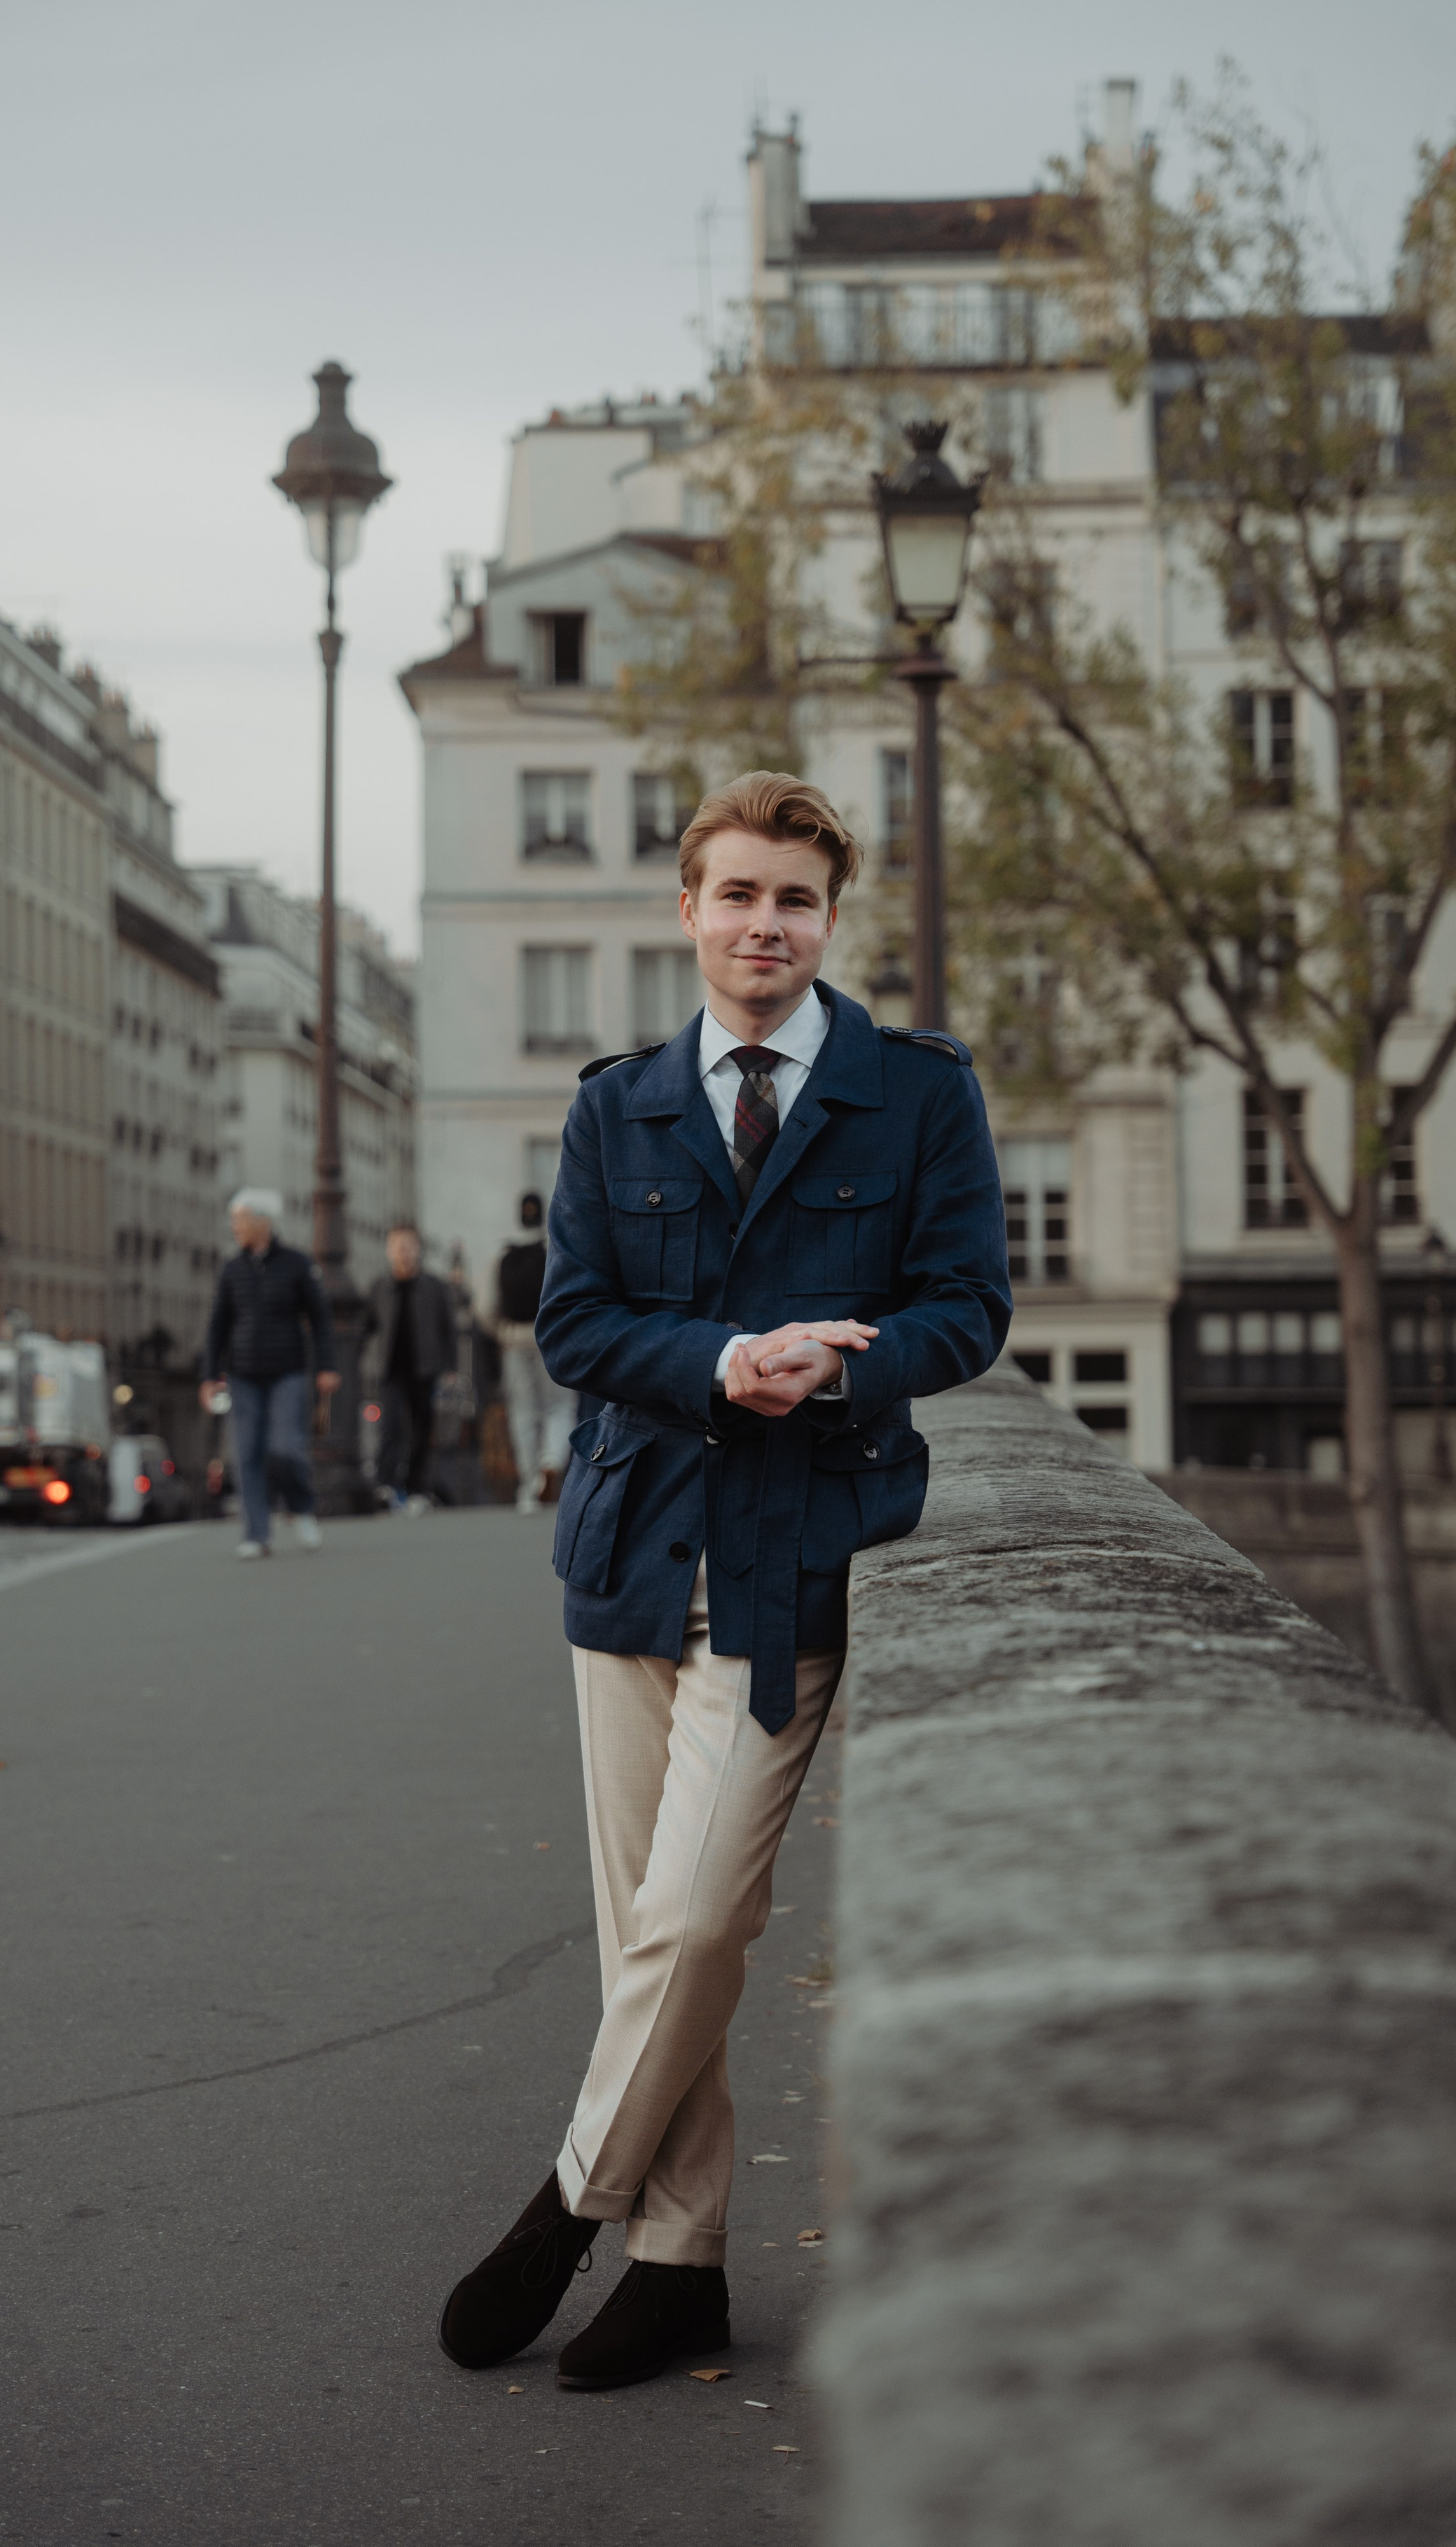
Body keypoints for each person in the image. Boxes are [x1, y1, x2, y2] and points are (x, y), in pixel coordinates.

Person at [437, 771, 1010, 2391]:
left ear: (830, 921)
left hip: (794, 1547)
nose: (765, 924)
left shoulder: (913, 1093)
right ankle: (677, 2259)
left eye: (796, 900)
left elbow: (966, 1305)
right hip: (627, 1548)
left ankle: (567, 2200)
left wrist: (834, 1368)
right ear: (686, 907)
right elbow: (573, 1326)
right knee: (643, 1936)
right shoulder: (616, 1103)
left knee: (699, 1914)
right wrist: (715, 1358)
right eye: (739, 893)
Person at [200, 1189, 340, 1560]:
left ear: (263, 1222)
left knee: (285, 1448)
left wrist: (327, 1366)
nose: (235, 1228)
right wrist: (209, 1376)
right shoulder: (232, 1270)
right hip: (243, 1375)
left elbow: (321, 1319)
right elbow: (217, 1328)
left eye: (240, 1221)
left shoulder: (295, 1264)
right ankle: (257, 1535)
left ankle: (301, 1507)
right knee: (247, 1455)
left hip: (287, 1372)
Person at [483, 1192, 575, 1513]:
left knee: (523, 1412)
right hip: (551, 1338)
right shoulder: (554, 1249)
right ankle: (551, 1460)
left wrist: (502, 1333)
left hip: (514, 1340)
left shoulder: (504, 1253)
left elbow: (486, 1308)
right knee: (559, 1406)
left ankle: (528, 1483)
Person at [363, 1223, 457, 1514]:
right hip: (391, 1369)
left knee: (421, 1428)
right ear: (389, 1251)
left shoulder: (433, 1285)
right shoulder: (381, 1286)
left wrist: (450, 1368)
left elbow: (448, 1329)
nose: (402, 1252)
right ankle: (387, 1484)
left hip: (424, 1369)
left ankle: (417, 1487)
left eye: (407, 1246)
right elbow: (368, 1327)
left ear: (418, 1249)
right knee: (389, 1426)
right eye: (396, 1246)